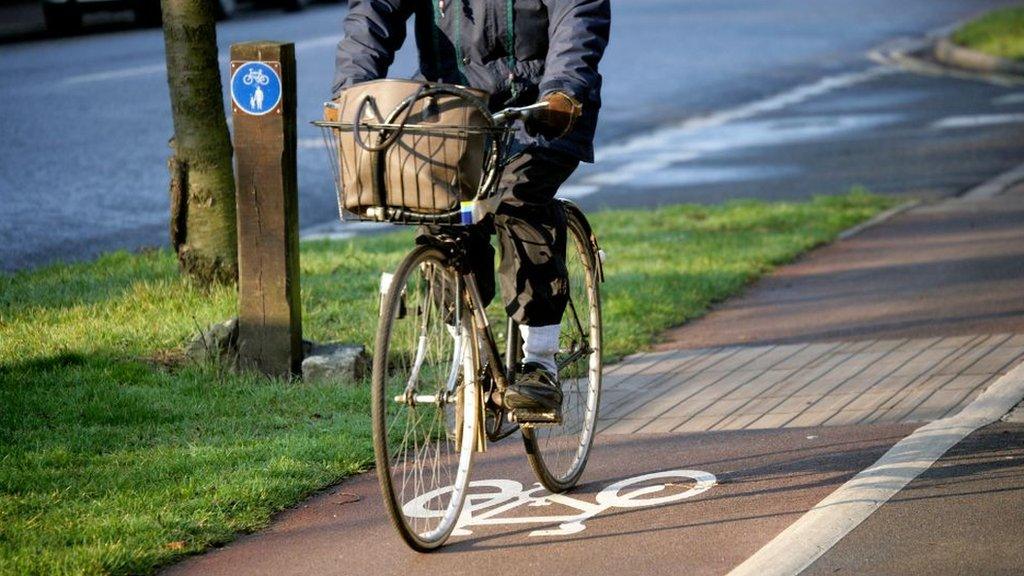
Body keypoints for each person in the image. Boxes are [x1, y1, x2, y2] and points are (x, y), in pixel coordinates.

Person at [333, 0, 610, 419]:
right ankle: (467, 353)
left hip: (536, 107)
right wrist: (352, 90)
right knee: (436, 211)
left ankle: (540, 360)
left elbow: (578, 15)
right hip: (452, 108)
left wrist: (563, 90)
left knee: (517, 198)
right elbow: (374, 12)